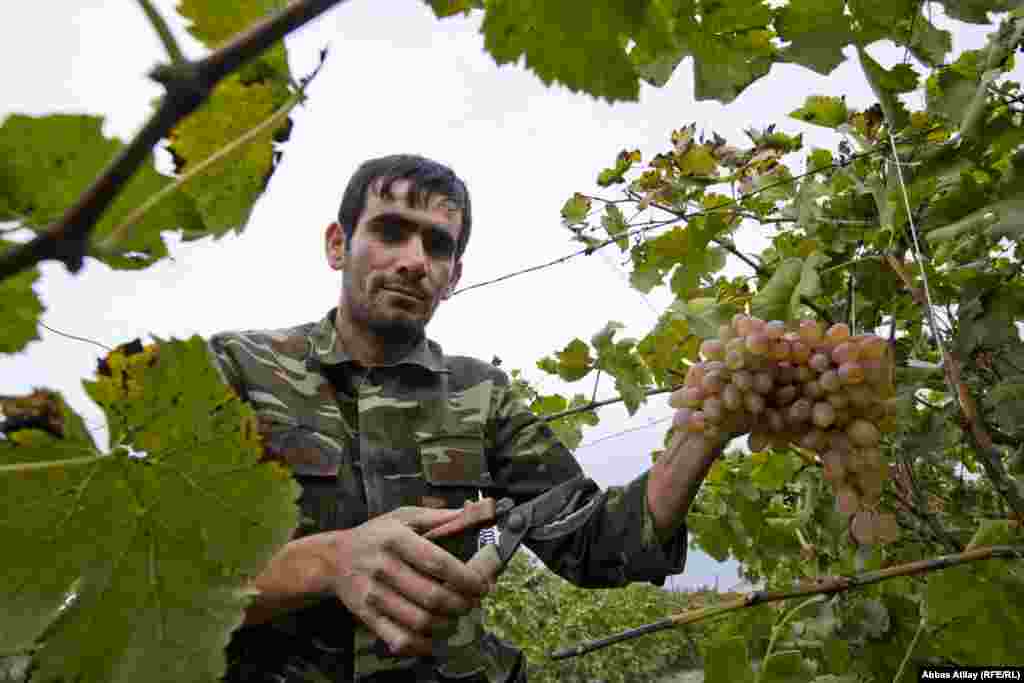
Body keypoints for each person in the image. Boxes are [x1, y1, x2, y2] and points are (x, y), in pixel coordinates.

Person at [208, 154, 723, 683]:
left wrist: (707, 429)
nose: (414, 260)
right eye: (390, 232)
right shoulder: (240, 369)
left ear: (452, 276)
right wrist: (328, 561)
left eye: (437, 245)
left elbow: (599, 545)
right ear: (338, 245)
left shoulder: (481, 396)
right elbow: (159, 582)